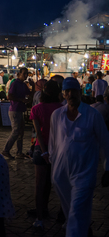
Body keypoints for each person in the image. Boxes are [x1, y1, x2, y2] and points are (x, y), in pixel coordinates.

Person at [49, 77, 109, 237]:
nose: (70, 94)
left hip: (84, 173)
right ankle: (84, 228)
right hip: (61, 175)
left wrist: (107, 167)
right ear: (63, 94)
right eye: (67, 91)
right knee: (72, 211)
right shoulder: (57, 115)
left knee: (76, 214)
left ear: (80, 92)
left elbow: (105, 141)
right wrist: (53, 166)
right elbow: (53, 143)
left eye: (73, 91)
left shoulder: (92, 115)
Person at [29, 80, 63, 229]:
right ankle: (55, 211)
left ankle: (39, 217)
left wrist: (44, 151)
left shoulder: (36, 109)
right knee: (55, 183)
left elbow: (38, 133)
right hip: (58, 148)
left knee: (39, 185)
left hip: (41, 149)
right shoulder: (61, 108)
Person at [2, 67, 30, 159]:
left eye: (27, 74)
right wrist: (21, 99)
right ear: (19, 74)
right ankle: (6, 150)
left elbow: (29, 94)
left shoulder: (23, 84)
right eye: (24, 74)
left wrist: (33, 86)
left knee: (21, 132)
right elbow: (9, 96)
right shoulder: (15, 84)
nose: (26, 75)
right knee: (16, 131)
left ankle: (19, 152)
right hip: (14, 110)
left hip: (20, 110)